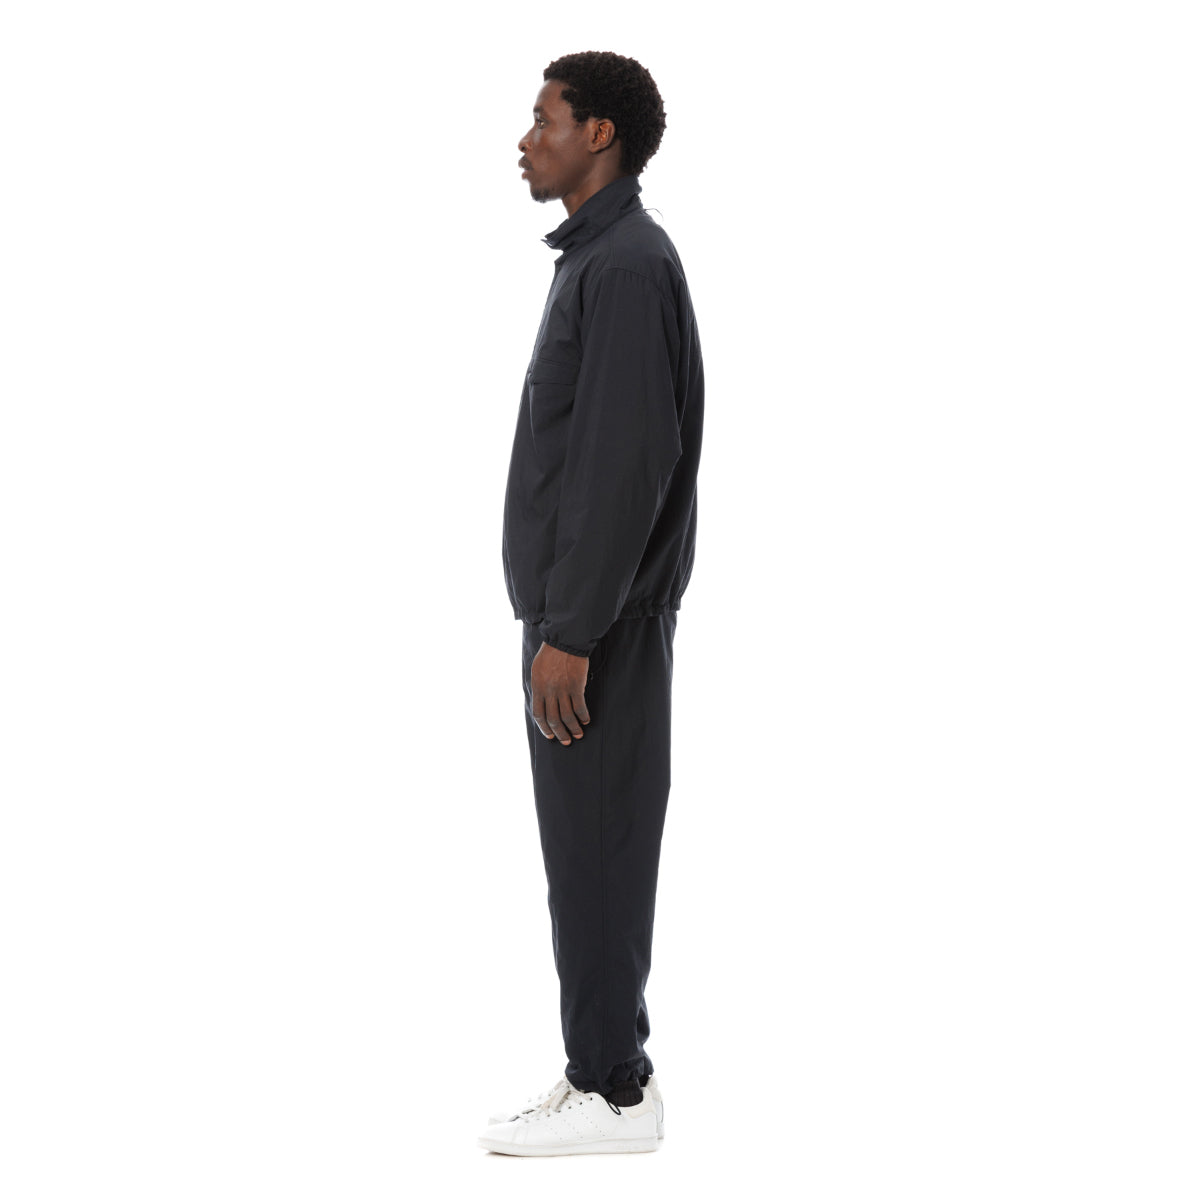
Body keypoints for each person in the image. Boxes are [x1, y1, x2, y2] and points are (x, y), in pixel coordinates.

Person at [479, 50, 705, 1157]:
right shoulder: (600, 259)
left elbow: (626, 463)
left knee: (600, 850)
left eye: (545, 120)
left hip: (596, 627)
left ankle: (613, 1090)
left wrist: (570, 632)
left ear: (599, 134)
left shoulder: (624, 266)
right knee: (584, 854)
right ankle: (605, 1073)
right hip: (582, 616)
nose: (526, 141)